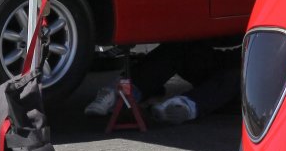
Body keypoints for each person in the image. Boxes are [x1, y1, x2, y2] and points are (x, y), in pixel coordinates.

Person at [85, 41, 239, 125]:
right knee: (180, 45)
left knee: (240, 74)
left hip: (245, 86)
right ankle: (119, 93)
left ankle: (183, 107)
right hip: (235, 58)